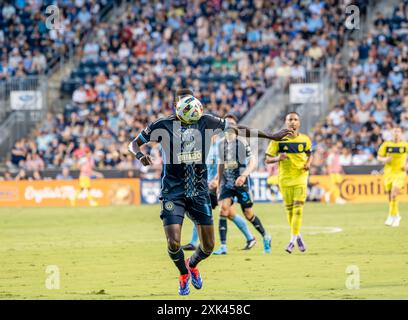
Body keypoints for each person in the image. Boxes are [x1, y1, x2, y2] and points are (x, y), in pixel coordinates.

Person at [128, 88, 292, 295]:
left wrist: (271, 135)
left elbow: (237, 129)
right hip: (173, 192)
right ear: (178, 107)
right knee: (173, 241)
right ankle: (183, 273)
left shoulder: (206, 121)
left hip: (199, 192)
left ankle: (193, 265)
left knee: (208, 246)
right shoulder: (162, 125)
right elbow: (134, 143)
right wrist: (139, 155)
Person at [182, 135, 255, 252]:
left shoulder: (222, 145)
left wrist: (218, 180)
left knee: (222, 213)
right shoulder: (204, 147)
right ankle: (250, 238)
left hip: (219, 185)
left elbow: (225, 165)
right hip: (207, 185)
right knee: (221, 213)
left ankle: (249, 238)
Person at [214, 114, 268, 255]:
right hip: (227, 183)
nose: (230, 126)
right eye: (227, 124)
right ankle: (223, 246)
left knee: (248, 214)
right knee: (223, 210)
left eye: (232, 124)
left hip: (241, 183)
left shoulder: (242, 143)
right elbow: (221, 165)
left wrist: (244, 175)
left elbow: (253, 162)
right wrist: (219, 184)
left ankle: (265, 236)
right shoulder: (220, 144)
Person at [265, 112, 313, 254]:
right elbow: (267, 159)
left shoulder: (305, 139)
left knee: (298, 209)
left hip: (301, 177)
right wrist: (278, 158)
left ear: (299, 123)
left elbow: (310, 154)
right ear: (286, 122)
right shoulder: (278, 140)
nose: (292, 122)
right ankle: (298, 236)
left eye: (295, 119)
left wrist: (308, 163)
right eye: (290, 119)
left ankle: (291, 241)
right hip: (285, 179)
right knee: (290, 210)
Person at [377, 126, 408, 227]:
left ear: (401, 133)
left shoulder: (405, 145)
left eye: (398, 131)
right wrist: (385, 160)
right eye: (394, 131)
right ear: (391, 133)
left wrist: (407, 166)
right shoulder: (386, 144)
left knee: (394, 193)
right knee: (390, 196)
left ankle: (391, 216)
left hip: (400, 172)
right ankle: (396, 215)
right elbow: (379, 157)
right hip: (388, 173)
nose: (396, 133)